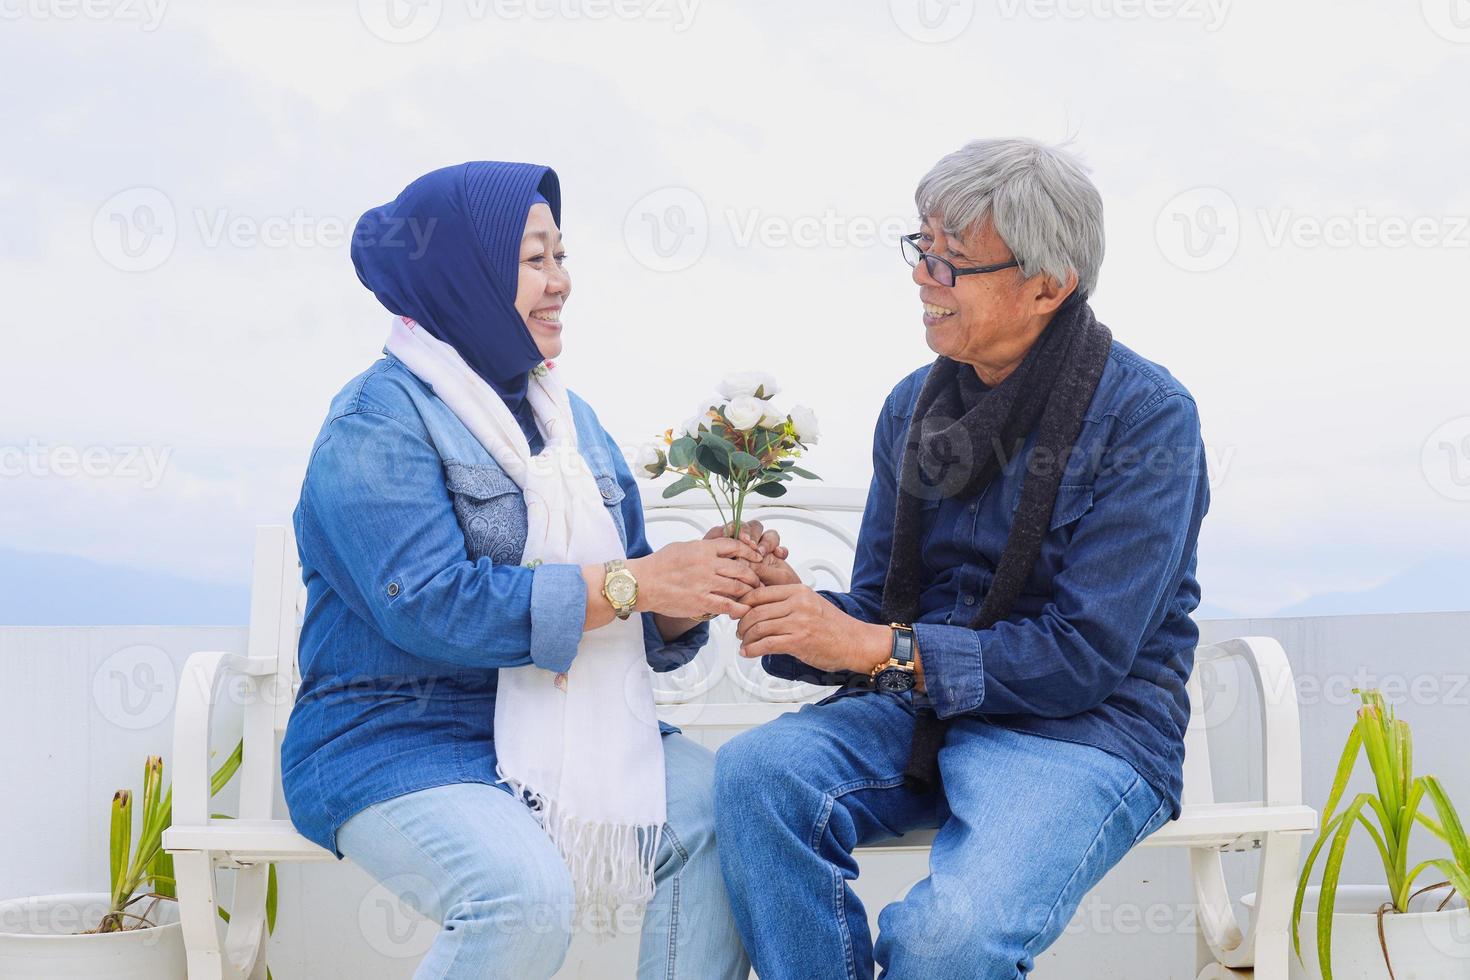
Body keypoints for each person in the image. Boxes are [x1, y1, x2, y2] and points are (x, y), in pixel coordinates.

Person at [715, 138, 1210, 979]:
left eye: (953, 262)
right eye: (921, 249)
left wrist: (878, 647)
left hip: (1083, 730)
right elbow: (877, 606)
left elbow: (1083, 657)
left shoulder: (1146, 417)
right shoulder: (913, 404)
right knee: (757, 774)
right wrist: (800, 613)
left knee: (951, 938)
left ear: (1048, 286)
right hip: (919, 711)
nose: (922, 277)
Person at [280, 161, 763, 979]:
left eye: (563, 257)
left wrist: (695, 588)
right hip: (401, 735)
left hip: (568, 722)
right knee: (522, 896)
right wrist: (638, 584)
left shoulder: (569, 422)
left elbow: (633, 609)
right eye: (535, 260)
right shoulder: (375, 422)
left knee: (732, 819)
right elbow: (431, 607)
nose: (562, 282)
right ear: (460, 273)